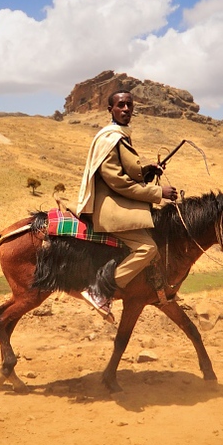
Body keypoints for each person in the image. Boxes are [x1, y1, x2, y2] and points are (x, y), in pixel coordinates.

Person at [74, 90, 178, 322]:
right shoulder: (109, 139)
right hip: (109, 207)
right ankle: (99, 290)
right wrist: (158, 193)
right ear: (109, 109)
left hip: (119, 202)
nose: (126, 109)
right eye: (120, 105)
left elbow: (129, 173)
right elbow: (118, 182)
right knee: (147, 248)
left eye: (129, 105)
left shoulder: (121, 136)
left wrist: (148, 170)